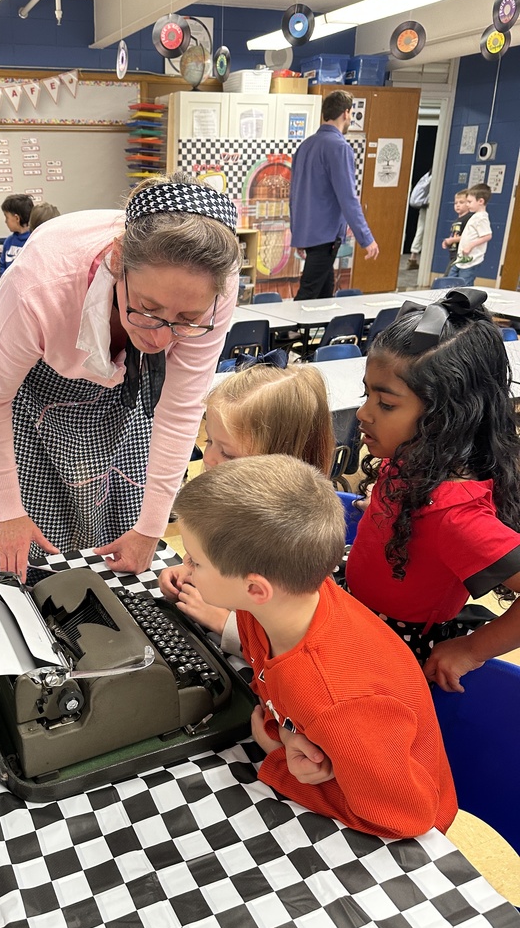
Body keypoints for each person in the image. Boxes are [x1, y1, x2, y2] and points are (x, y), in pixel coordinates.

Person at [0, 172, 241, 580]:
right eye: (147, 307)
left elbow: (178, 412)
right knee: (38, 546)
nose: (158, 337)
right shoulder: (40, 286)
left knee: (119, 523)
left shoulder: (214, 287)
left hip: (125, 394)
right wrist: (8, 511)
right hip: (35, 394)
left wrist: (150, 530)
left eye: (186, 319)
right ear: (118, 261)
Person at [172, 454, 457, 839]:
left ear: (256, 588)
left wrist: (278, 761)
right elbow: (282, 694)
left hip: (395, 826)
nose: (186, 569)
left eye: (196, 562)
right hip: (339, 758)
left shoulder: (339, 700)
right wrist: (289, 736)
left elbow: (405, 818)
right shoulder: (273, 608)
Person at [345, 288, 520, 693]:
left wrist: (474, 649)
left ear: (444, 419)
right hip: (359, 614)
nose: (362, 413)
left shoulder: (457, 517)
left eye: (386, 404)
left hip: (394, 655)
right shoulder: (413, 458)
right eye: (365, 393)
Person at [159, 361, 334, 651]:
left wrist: (223, 623)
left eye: (227, 453)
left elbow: (294, 642)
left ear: (278, 463)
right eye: (210, 441)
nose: (210, 458)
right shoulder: (227, 503)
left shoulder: (290, 541)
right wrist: (190, 570)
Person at [289, 89, 379, 300]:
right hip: (325, 235)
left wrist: (298, 234)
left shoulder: (305, 146)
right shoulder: (339, 147)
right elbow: (348, 198)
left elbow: (293, 196)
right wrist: (366, 238)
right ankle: (287, 334)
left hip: (310, 233)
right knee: (309, 293)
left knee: (324, 293)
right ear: (346, 113)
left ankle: (318, 332)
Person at [449, 183, 492, 287]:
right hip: (461, 259)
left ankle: (466, 302)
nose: (467, 204)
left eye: (469, 202)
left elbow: (487, 235)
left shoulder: (482, 218)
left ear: (480, 201)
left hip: (471, 261)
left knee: (464, 285)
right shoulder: (475, 216)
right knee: (450, 281)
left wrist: (470, 245)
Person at [0, 194, 33, 277]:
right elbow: (2, 266)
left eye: (6, 217)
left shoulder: (33, 240)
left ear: (17, 218)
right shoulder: (8, 241)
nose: (5, 221)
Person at [441, 189, 472, 274]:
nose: (458, 205)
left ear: (468, 204)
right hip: (453, 254)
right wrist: (447, 242)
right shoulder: (456, 221)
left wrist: (452, 240)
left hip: (461, 254)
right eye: (456, 203)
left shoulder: (468, 218)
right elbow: (454, 235)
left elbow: (468, 236)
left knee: (448, 277)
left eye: (461, 202)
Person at [406, 170, 431, 271]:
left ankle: (413, 257)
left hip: (422, 205)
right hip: (428, 205)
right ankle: (415, 258)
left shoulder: (426, 175)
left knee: (420, 229)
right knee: (422, 230)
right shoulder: (435, 177)